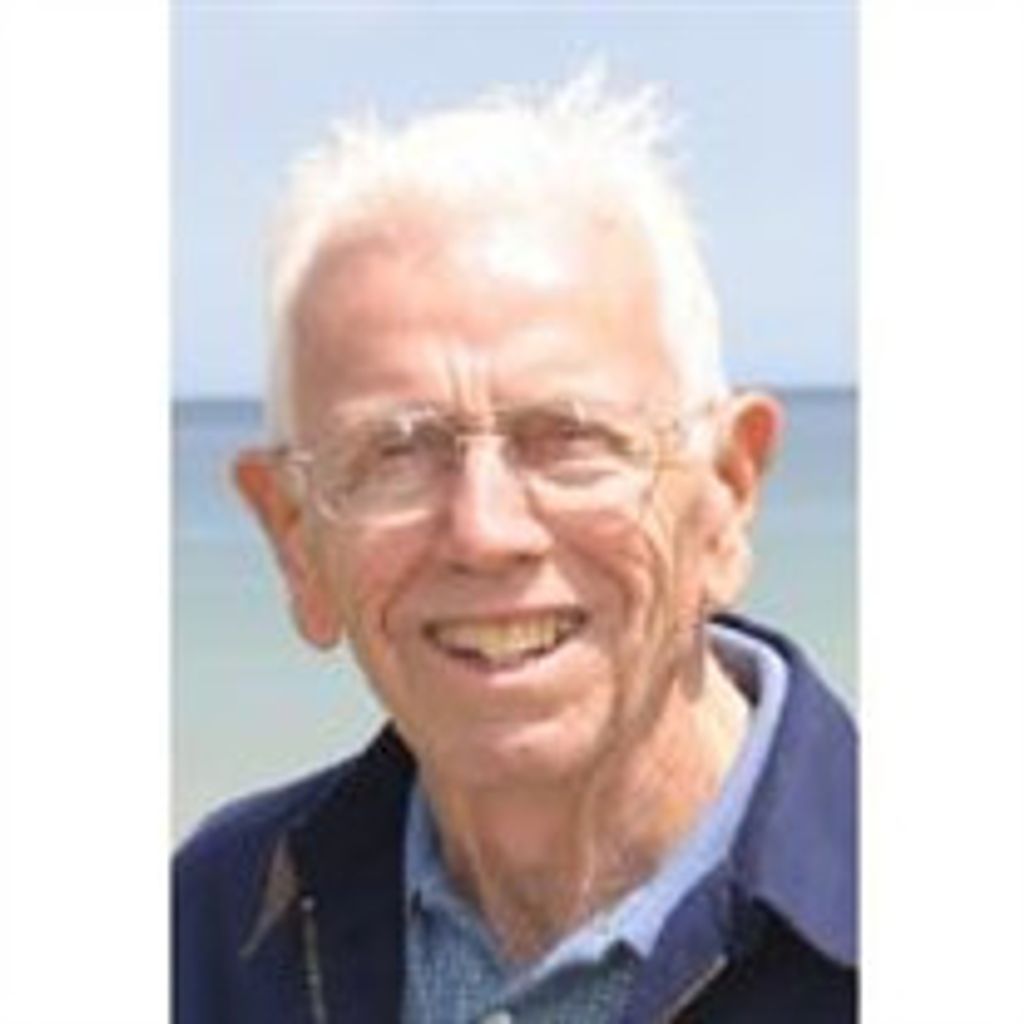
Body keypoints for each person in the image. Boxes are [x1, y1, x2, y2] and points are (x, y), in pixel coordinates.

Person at [174, 70, 856, 1023]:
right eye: (396, 452)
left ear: (727, 495)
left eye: (569, 436)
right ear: (295, 538)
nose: (484, 532)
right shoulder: (212, 929)